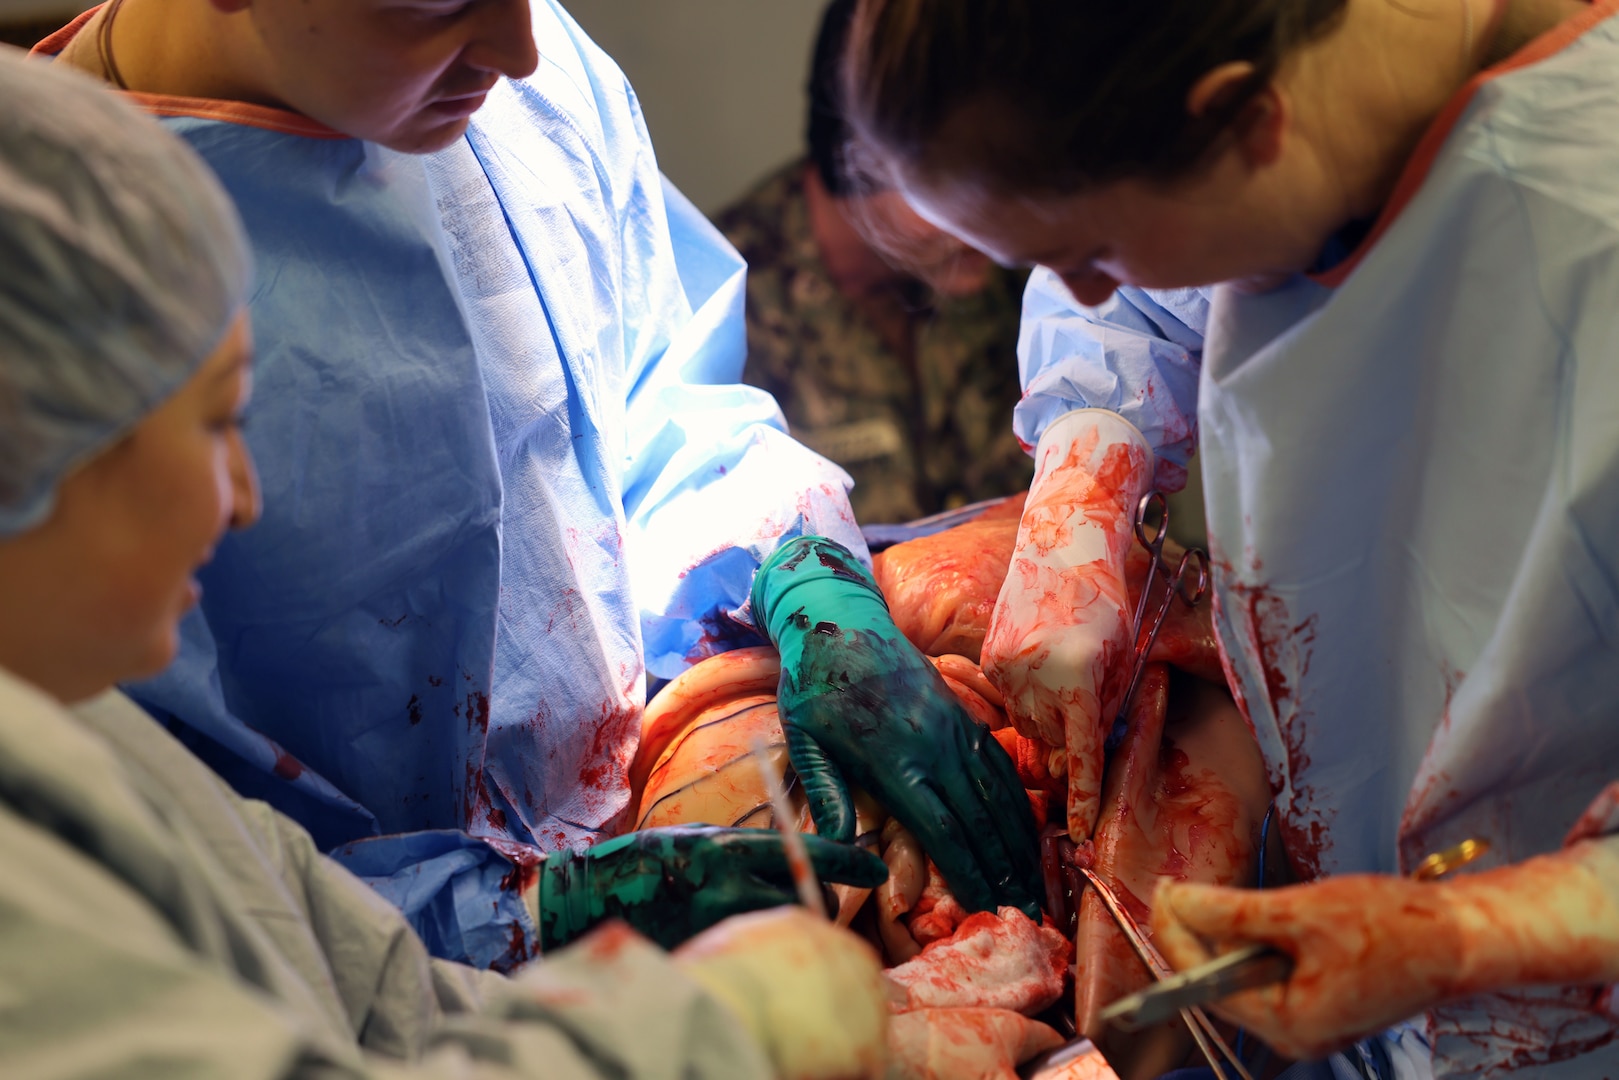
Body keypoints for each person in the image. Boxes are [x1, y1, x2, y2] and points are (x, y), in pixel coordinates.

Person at [35, 0, 1040, 969]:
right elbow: (174, 899)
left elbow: (654, 417)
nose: (517, 48)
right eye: (437, 3)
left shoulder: (535, 87)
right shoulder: (56, 287)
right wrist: (517, 921)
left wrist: (804, 575)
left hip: (661, 788)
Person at [841, 0, 1619, 1077]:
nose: (1088, 294)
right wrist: (1085, 477)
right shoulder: (1313, 91)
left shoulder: (1584, 241)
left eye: (1094, 251)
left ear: (1248, 123)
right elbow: (1152, 300)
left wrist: (1467, 935)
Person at [716, 0, 1031, 524]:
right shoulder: (723, 309)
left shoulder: (1022, 278)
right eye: (957, 187)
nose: (998, 222)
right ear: (857, 161)